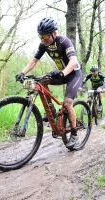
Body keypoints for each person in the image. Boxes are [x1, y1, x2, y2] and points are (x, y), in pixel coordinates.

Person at [15, 17, 82, 148]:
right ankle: (51, 111)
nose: (43, 39)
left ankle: (74, 133)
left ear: (54, 34)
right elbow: (34, 60)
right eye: (41, 36)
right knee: (42, 81)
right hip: (61, 73)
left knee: (68, 103)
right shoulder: (44, 44)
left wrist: (63, 72)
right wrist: (22, 72)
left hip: (73, 74)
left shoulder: (64, 41)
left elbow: (73, 61)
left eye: (45, 36)